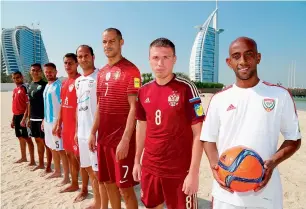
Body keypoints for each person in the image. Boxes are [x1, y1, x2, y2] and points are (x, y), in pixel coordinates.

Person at [199, 37, 301, 209]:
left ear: (258, 57)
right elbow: (208, 137)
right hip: (226, 194)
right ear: (229, 62)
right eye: (236, 56)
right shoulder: (219, 99)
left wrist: (273, 161)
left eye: (249, 55)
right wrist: (216, 166)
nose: (243, 61)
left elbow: (294, 138)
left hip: (265, 192)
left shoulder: (279, 95)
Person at [132, 38, 204, 209]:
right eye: (156, 58)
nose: (160, 63)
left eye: (166, 57)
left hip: (179, 170)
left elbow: (199, 132)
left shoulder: (187, 88)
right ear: (149, 59)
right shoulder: (143, 91)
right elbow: (141, 127)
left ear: (174, 59)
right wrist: (137, 161)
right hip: (150, 167)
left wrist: (193, 173)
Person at [89, 28, 139, 209]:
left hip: (121, 141)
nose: (107, 45)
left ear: (121, 42)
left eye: (111, 41)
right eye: (104, 42)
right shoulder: (101, 73)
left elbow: (134, 108)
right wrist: (93, 132)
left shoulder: (131, 70)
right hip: (103, 139)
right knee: (108, 184)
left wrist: (126, 140)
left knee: (125, 189)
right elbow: (101, 106)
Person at [76, 45, 107, 209]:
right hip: (81, 133)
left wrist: (93, 132)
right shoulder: (78, 81)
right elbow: (78, 108)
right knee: (87, 168)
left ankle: (103, 205)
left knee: (98, 172)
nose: (83, 59)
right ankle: (97, 201)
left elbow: (103, 107)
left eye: (86, 55)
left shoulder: (100, 76)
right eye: (80, 56)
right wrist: (76, 131)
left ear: (93, 57)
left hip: (94, 134)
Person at [55, 53, 88, 202]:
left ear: (77, 64)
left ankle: (84, 189)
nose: (68, 66)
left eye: (70, 63)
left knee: (81, 158)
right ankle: (74, 183)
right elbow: (63, 104)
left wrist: (77, 128)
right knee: (69, 155)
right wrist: (58, 123)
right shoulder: (65, 83)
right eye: (65, 63)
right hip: (66, 127)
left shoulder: (81, 81)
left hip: (78, 128)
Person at [42, 63, 70, 185]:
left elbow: (63, 106)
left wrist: (59, 123)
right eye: (46, 72)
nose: (48, 74)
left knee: (61, 149)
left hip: (57, 122)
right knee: (52, 147)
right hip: (48, 121)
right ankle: (57, 171)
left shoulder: (59, 86)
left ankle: (66, 177)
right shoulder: (47, 86)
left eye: (50, 71)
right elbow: (46, 105)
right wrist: (44, 119)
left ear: (56, 71)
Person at [27, 63, 52, 174]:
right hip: (33, 118)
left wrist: (44, 118)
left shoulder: (45, 85)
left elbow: (48, 104)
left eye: (38, 70)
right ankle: (41, 164)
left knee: (47, 143)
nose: (35, 72)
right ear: (30, 72)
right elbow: (29, 103)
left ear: (41, 72)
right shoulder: (30, 85)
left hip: (43, 119)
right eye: (33, 70)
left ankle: (49, 167)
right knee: (37, 141)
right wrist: (28, 118)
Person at [11, 71, 35, 165]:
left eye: (18, 77)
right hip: (16, 116)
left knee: (27, 138)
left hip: (23, 116)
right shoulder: (15, 90)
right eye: (14, 78)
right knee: (20, 137)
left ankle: (32, 160)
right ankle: (23, 157)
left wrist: (25, 118)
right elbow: (14, 104)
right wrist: (13, 119)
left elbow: (28, 104)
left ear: (22, 77)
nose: (16, 79)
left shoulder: (25, 88)